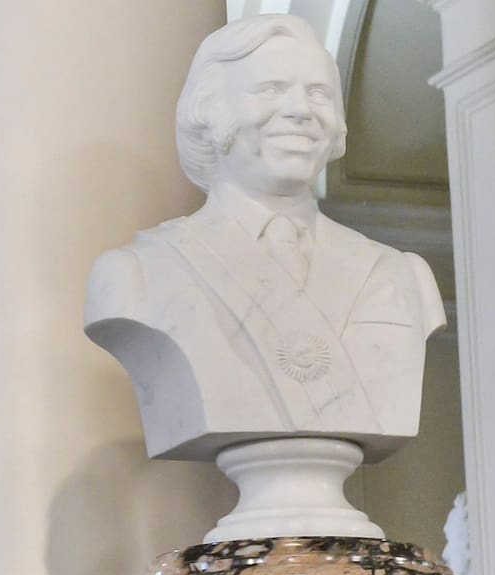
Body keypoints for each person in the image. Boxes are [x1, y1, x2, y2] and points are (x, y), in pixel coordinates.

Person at [83, 13, 445, 462]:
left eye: (319, 93)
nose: (301, 111)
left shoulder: (402, 275)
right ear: (208, 112)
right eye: (270, 89)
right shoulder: (135, 276)